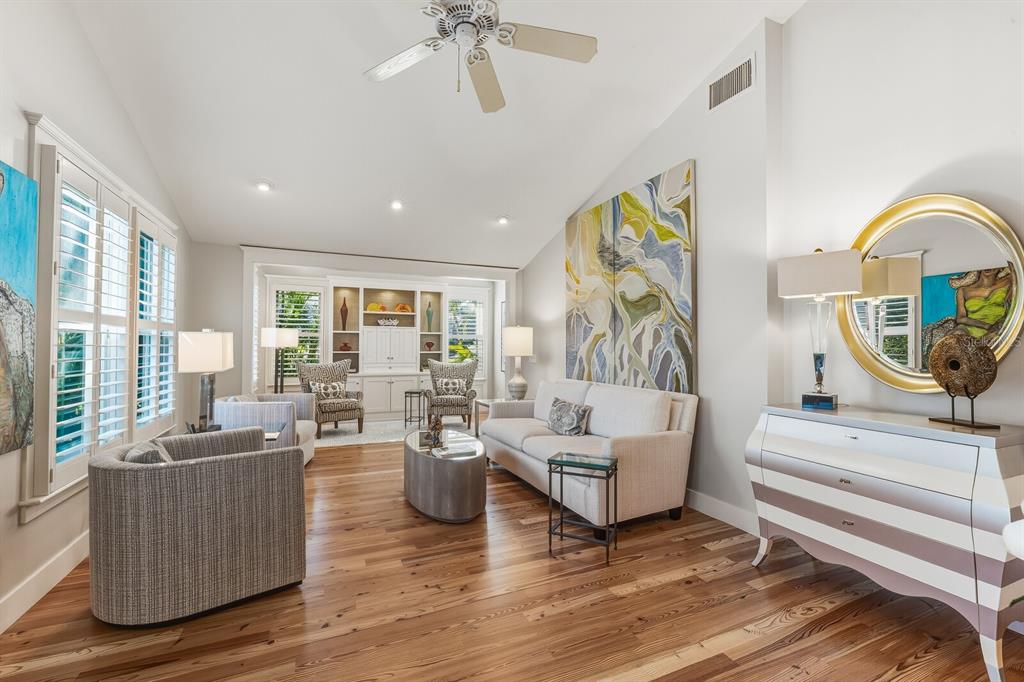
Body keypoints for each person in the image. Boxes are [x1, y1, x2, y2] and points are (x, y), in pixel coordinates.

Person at [952, 265, 1015, 341]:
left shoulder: (1008, 281)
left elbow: (1010, 308)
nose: (988, 266)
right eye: (985, 263)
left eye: (994, 263)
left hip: (997, 327)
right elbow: (960, 318)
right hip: (971, 328)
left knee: (994, 336)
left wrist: (997, 326)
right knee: (958, 333)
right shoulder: (963, 290)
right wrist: (986, 325)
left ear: (1000, 267)